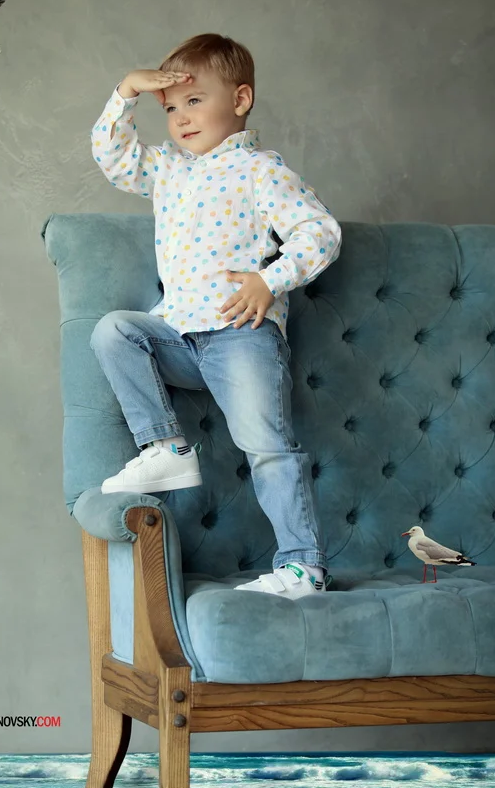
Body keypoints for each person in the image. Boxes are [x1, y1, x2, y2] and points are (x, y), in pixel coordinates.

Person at [88, 33, 341, 596]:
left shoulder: (259, 170)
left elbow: (320, 233)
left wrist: (269, 280)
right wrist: (127, 90)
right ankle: (167, 448)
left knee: (268, 447)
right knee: (114, 331)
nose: (180, 117)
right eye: (171, 107)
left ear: (241, 99)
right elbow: (113, 156)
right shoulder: (167, 170)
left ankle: (304, 567)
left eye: (195, 100)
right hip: (179, 336)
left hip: (239, 336)